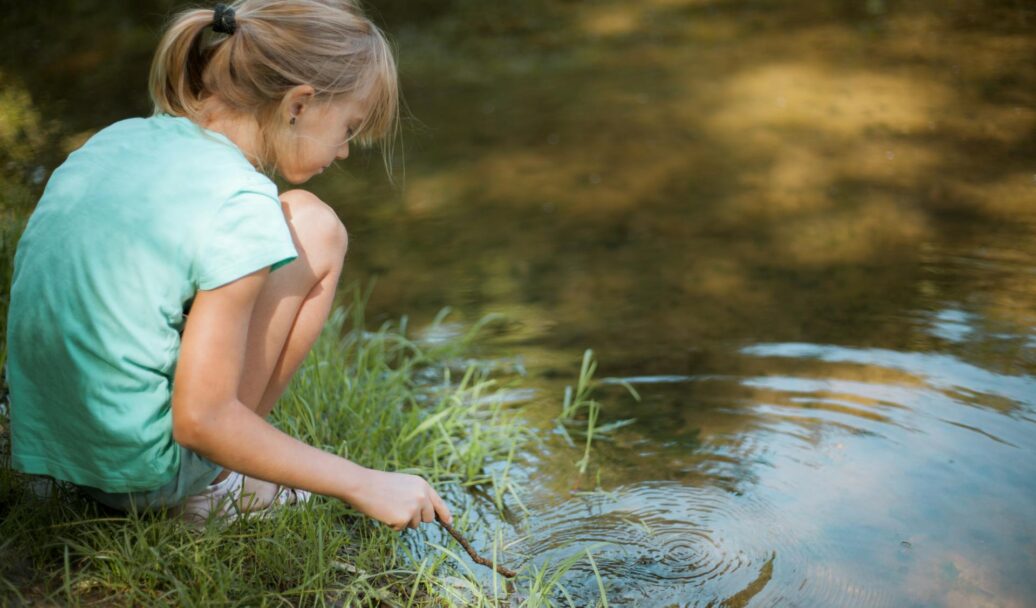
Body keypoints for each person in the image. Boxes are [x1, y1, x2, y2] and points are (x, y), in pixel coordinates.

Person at [5, 0, 452, 531]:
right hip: (137, 478)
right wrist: (365, 481)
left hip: (44, 439)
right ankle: (212, 489)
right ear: (299, 105)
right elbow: (201, 420)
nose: (344, 153)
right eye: (348, 129)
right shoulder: (239, 203)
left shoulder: (118, 139)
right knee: (315, 226)